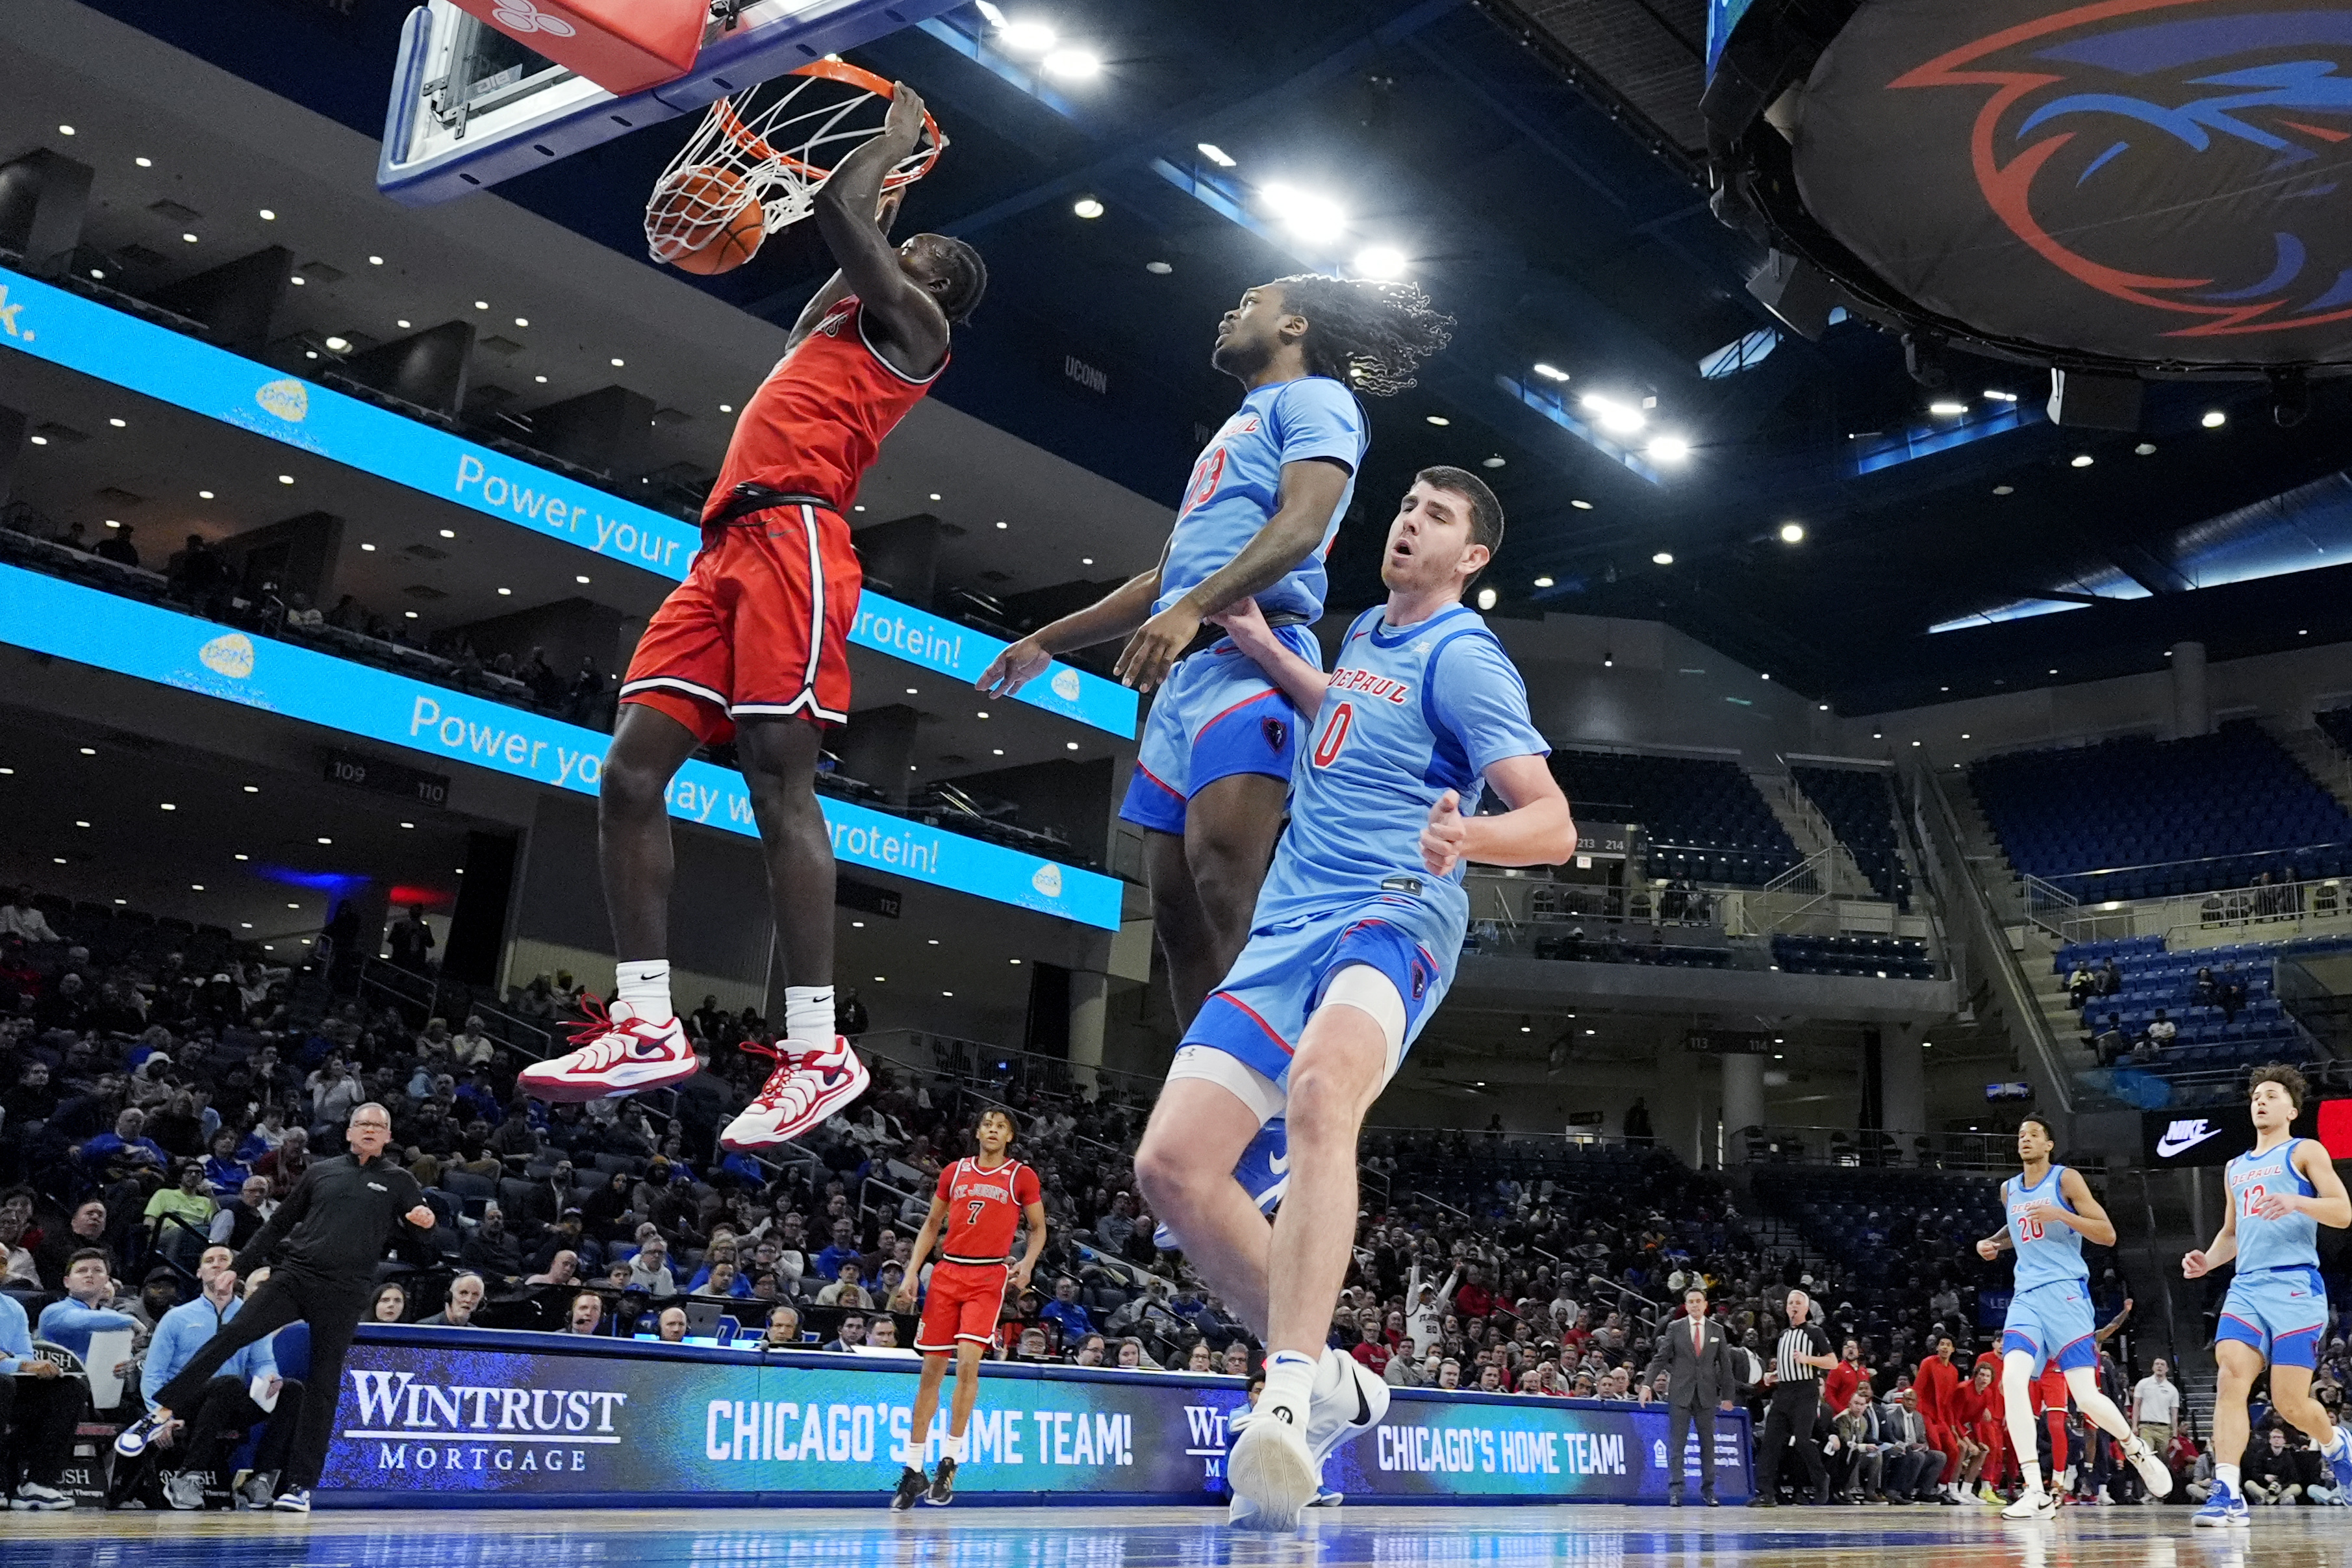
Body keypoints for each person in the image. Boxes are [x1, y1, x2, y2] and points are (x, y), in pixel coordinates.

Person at [521, 82, 985, 1154]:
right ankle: (645, 1019)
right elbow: (842, 236)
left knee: (777, 785)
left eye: (913, 253)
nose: (893, 254)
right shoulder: (824, 331)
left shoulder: (914, 331)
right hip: (723, 549)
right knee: (627, 774)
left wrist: (891, 144)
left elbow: (839, 217)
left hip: (799, 548)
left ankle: (820, 1045)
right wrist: (878, 172)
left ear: (938, 289)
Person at [1132, 468, 1572, 1531]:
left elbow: (1553, 822)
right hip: (1289, 924)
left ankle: (1282, 1395)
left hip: (1392, 914)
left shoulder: (1467, 658)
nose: (1409, 522)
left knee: (1326, 1091)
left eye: (1437, 517)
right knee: (1172, 1169)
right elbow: (1347, 720)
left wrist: (1469, 834)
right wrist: (1272, 651)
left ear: (1471, 558)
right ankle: (1333, 1379)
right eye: (1407, 505)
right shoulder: (1367, 629)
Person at [114, 1102, 437, 1513]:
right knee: (232, 1334)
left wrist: (424, 1225)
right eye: (362, 1124)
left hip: (345, 1291)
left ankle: (300, 1485)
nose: (370, 1130)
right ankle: (160, 1412)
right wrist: (239, 1268)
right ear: (349, 1132)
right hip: (295, 1275)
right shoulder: (321, 1172)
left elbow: (423, 1242)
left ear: (388, 1137)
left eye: (379, 1126)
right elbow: (279, 1224)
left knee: (323, 1386)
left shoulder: (401, 1181)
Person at [1977, 1113, 2171, 1520]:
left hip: (2065, 1294)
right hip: (2026, 1296)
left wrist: (2061, 1215)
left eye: (2033, 1135)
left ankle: (2135, 1449)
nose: (2025, 1140)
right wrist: (1994, 1243)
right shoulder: (2008, 1189)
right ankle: (2035, 1490)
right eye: (2020, 1135)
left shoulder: (2066, 1180)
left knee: (2085, 1396)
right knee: (2011, 1380)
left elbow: (2107, 1233)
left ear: (2049, 1144)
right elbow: (2019, 1227)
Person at [2183, 1063, 2352, 1525]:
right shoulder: (2234, 1167)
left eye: (2272, 1094)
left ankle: (2338, 1446)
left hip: (2295, 1285)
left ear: (2291, 1109)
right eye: (2256, 1095)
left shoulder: (2304, 1152)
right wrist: (2207, 1260)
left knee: (2289, 1403)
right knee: (2230, 1377)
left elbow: (2341, 1212)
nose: (2260, 1099)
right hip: (2246, 1287)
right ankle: (2226, 1491)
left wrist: (2297, 1201)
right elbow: (2231, 1233)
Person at [890, 1107, 1045, 1508]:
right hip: (946, 1273)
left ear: (1010, 1136)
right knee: (930, 1372)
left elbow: (1038, 1227)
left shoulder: (1020, 1176)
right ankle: (912, 1470)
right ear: (977, 1132)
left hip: (987, 1276)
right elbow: (930, 1225)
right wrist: (912, 1272)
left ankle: (950, 1461)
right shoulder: (955, 1171)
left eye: (1000, 1127)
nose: (992, 1130)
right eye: (987, 1124)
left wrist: (1027, 1263)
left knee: (969, 1363)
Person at [136, 1245, 302, 1511]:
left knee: (292, 1390)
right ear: (200, 1273)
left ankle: (261, 1478)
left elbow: (262, 1362)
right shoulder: (177, 1317)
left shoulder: (252, 1318)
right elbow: (154, 1373)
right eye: (209, 1261)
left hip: (228, 1401)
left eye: (224, 1259)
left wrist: (270, 1376)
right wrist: (160, 1416)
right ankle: (187, 1476)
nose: (216, 1264)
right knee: (229, 1383)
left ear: (236, 1272)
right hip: (185, 1405)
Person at [1644, 1285, 1740, 1506]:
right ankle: (1676, 1491)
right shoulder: (1675, 1328)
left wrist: (1728, 1397)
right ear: (1686, 1306)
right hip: (1680, 1393)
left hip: (1707, 1394)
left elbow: (1725, 1366)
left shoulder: (1717, 1330)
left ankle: (1709, 1491)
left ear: (1705, 1305)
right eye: (1691, 1302)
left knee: (1708, 1445)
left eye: (1699, 1301)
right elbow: (1660, 1357)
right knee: (1678, 1444)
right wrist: (1647, 1385)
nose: (1695, 1305)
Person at [1749, 1289, 1836, 1506]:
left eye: (1798, 1303)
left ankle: (1820, 1479)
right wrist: (1773, 1376)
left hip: (1806, 1391)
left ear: (1806, 1308)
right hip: (1784, 1392)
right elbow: (1789, 1368)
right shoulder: (1783, 1335)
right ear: (1786, 1308)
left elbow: (1833, 1362)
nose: (1793, 1306)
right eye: (1790, 1303)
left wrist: (1808, 1359)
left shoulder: (1814, 1332)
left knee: (1803, 1440)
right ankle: (1767, 1493)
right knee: (1770, 1442)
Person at [0, 1289, 77, 1510]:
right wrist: (15, 1362)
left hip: (8, 1386)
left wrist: (15, 1362)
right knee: (3, 1384)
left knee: (68, 1387)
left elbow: (25, 1354)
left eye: (3, 1261)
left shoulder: (13, 1307)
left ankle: (39, 1485)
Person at [420, 1273, 485, 1328]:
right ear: (449, 1296)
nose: (468, 1300)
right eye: (463, 1293)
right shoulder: (425, 1327)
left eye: (475, 1295)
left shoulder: (476, 1333)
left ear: (481, 1302)